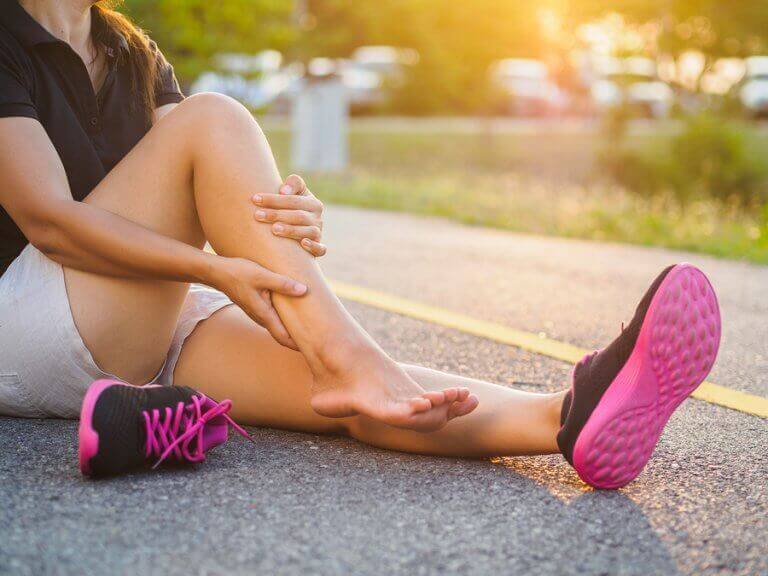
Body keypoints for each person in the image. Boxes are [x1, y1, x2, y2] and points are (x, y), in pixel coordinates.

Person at [0, 0, 721, 489]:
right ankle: (352, 357)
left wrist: (290, 210)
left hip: (134, 323)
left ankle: (566, 420)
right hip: (26, 320)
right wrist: (213, 268)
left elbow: (200, 183)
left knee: (343, 395)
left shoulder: (131, 53)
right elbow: (48, 218)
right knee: (215, 120)